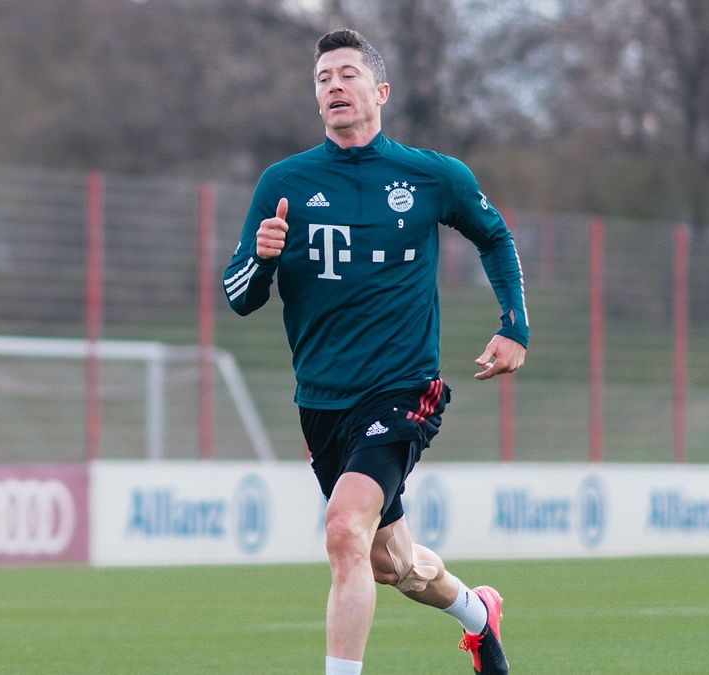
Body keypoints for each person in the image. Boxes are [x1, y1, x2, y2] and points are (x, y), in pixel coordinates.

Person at [222, 28, 527, 675]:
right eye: (323, 78)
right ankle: (478, 613)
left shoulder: (430, 175)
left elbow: (495, 236)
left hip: (402, 388)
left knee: (341, 532)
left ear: (380, 90)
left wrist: (514, 326)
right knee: (394, 564)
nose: (333, 85)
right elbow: (239, 296)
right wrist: (262, 256)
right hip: (321, 402)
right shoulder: (285, 182)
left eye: (347, 74)